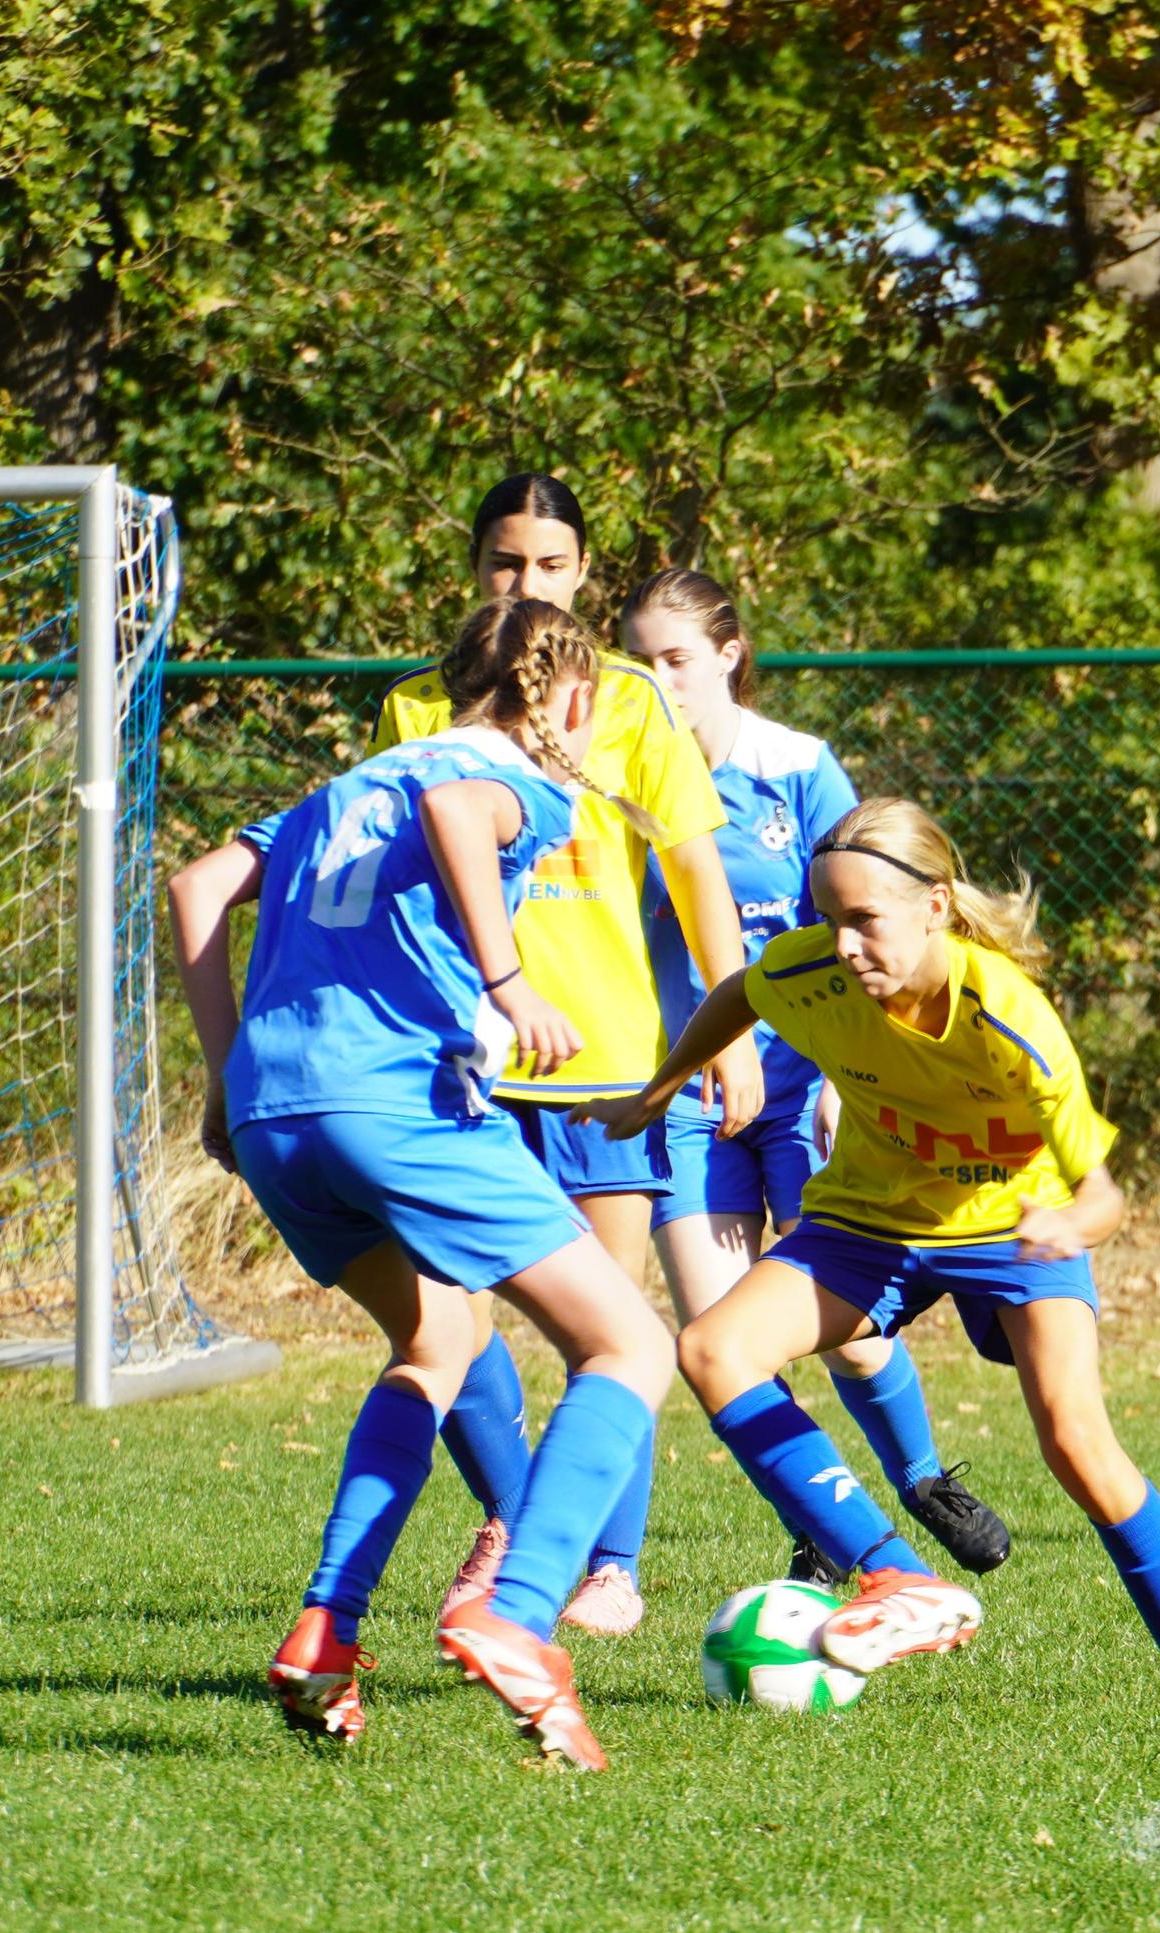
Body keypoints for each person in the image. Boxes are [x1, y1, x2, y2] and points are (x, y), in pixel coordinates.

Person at [583, 800, 1160, 1711]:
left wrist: (1070, 1226)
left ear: (935, 905)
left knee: (1075, 1440)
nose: (843, 944)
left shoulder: (1008, 1014)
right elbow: (743, 991)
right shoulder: (812, 973)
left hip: (1011, 1230)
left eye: (865, 920)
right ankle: (898, 1579)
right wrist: (656, 1091)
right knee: (712, 1349)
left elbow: (1103, 1192)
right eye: (827, 919)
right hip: (869, 1222)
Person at [167, 597, 675, 1770]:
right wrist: (505, 979)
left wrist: (222, 1070)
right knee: (631, 1346)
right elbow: (458, 810)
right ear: (572, 697)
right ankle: (522, 1608)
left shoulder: (346, 784)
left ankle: (327, 1629)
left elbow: (197, 889)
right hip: (393, 1098)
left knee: (439, 1342)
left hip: (277, 1110)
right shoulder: (511, 772)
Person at [365, 473, 755, 1639]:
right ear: (475, 568)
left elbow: (697, 875)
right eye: (503, 565)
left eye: (548, 565)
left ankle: (608, 1566)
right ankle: (517, 1519)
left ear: (583, 573)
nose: (525, 584)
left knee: (613, 1327)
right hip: (462, 1063)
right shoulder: (416, 709)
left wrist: (731, 1039)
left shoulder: (631, 703)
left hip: (606, 1066)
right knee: (439, 1316)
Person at [617, 566, 1013, 1584]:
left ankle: (923, 1478)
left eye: (676, 659)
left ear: (729, 656)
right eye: (641, 660)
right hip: (696, 1101)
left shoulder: (795, 769)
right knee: (720, 1346)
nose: (657, 681)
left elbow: (866, 904)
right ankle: (832, 1532)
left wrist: (848, 1071)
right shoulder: (618, 782)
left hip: (805, 1090)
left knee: (849, 1339)